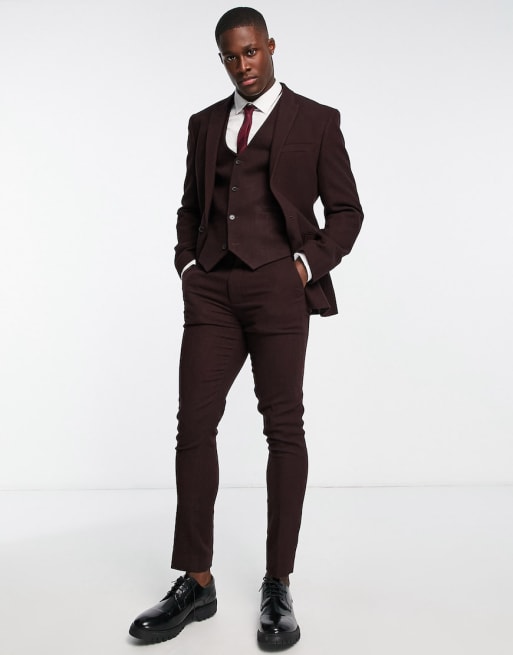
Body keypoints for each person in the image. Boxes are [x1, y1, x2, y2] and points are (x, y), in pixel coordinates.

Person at [129, 6, 363, 650]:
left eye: (251, 52)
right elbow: (189, 205)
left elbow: (347, 211)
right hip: (212, 289)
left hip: (279, 290)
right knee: (194, 425)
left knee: (283, 429)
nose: (243, 65)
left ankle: (278, 584)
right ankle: (196, 581)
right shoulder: (204, 123)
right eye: (231, 57)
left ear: (271, 46)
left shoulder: (317, 121)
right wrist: (187, 262)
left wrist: (304, 265)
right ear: (222, 59)